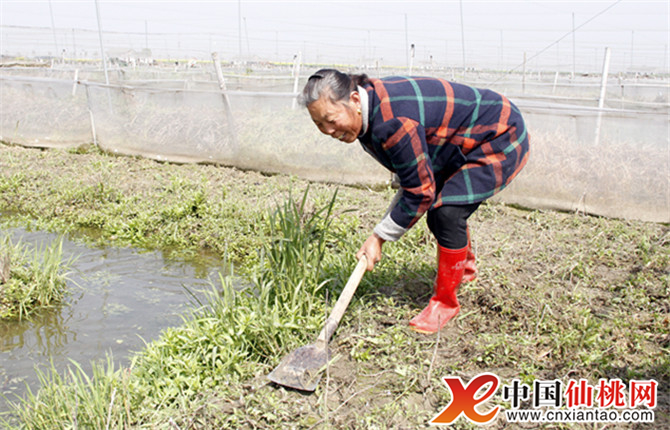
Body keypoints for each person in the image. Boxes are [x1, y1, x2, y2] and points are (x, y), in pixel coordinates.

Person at [300, 69, 530, 334]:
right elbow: (412, 175)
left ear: (354, 99)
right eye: (319, 124)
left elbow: (420, 192)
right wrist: (381, 231)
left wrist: (378, 238)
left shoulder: (393, 121)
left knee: (446, 214)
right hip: (455, 143)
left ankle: (445, 303)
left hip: (499, 134)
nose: (328, 131)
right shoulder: (368, 113)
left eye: (331, 120)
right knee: (442, 212)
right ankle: (464, 270)